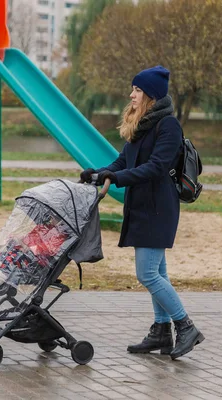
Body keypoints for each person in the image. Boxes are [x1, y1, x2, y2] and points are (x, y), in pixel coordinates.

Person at [80, 66, 204, 360]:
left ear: (150, 95)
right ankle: (162, 331)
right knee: (158, 272)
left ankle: (186, 326)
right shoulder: (143, 124)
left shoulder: (168, 126)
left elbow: (157, 167)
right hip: (143, 206)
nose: (131, 94)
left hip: (158, 208)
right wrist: (98, 173)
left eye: (136, 90)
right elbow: (123, 160)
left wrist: (117, 180)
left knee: (147, 273)